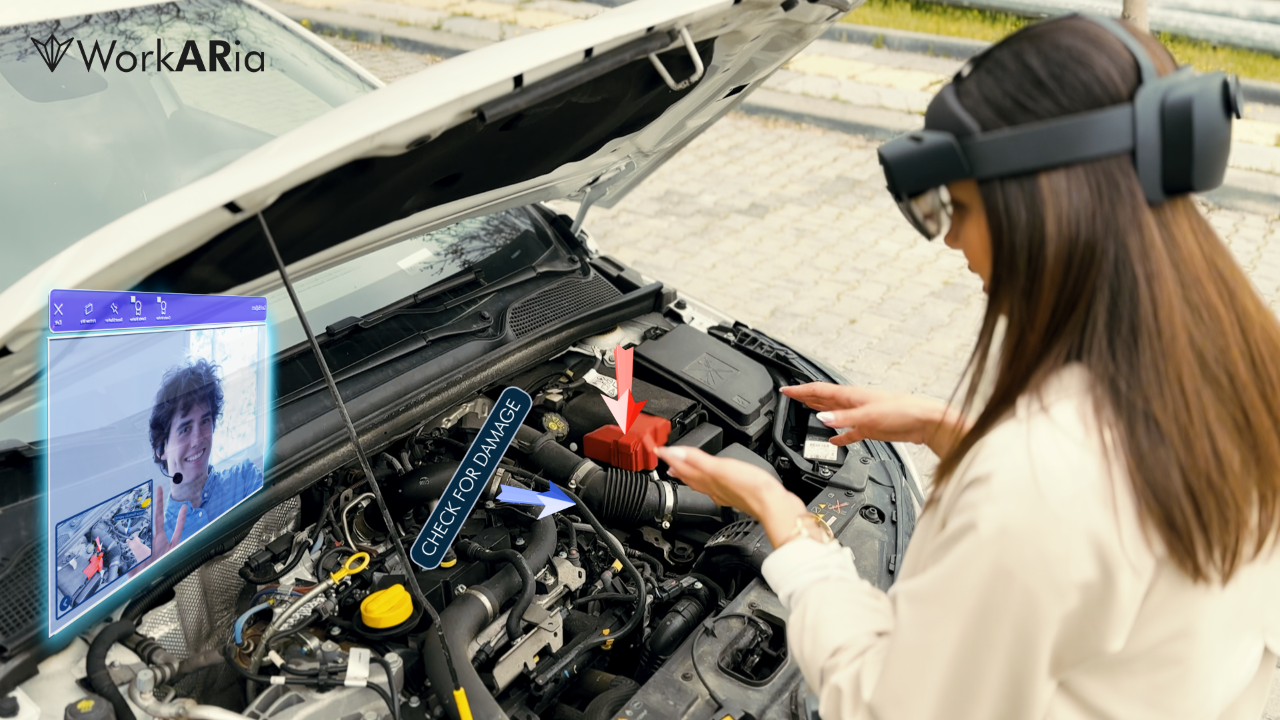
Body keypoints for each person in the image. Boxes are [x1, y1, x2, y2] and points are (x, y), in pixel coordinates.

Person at [655, 15, 1280, 720]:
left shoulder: (1037, 480)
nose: (951, 240)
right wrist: (950, 430)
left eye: (962, 205)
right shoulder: (1245, 368)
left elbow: (883, 702)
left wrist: (785, 519)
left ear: (1042, 209)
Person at [128, 358, 263, 575]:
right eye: (185, 429)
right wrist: (152, 580)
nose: (198, 439)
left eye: (205, 421)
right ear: (161, 448)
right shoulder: (154, 541)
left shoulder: (245, 480)